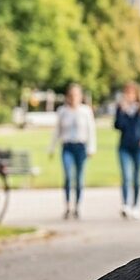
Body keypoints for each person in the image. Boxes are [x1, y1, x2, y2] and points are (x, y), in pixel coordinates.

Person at [49, 83, 96, 219]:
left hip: (81, 147)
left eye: (76, 95)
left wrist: (91, 147)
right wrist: (52, 147)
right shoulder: (62, 111)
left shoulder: (85, 111)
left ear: (80, 96)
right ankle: (68, 205)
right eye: (71, 95)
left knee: (79, 178)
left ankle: (78, 206)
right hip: (67, 146)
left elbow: (91, 130)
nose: (74, 98)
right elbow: (57, 130)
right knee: (69, 176)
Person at [113, 81, 140, 219]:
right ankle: (125, 205)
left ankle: (136, 206)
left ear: (136, 94)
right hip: (124, 147)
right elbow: (118, 126)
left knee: (136, 176)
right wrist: (122, 112)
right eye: (126, 93)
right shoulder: (121, 109)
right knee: (126, 176)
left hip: (139, 148)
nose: (129, 95)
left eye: (131, 93)